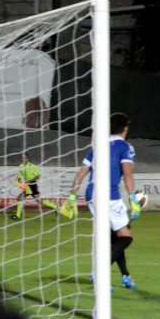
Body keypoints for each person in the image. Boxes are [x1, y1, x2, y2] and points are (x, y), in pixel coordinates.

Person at [63, 112, 140, 289]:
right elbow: (127, 175)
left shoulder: (97, 147)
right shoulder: (124, 147)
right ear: (125, 129)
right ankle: (100, 273)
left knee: (114, 237)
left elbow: (80, 174)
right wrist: (134, 200)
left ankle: (125, 276)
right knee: (126, 238)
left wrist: (72, 197)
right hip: (109, 196)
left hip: (92, 196)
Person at [10, 153, 58, 221]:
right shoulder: (21, 166)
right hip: (27, 185)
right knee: (38, 200)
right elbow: (19, 176)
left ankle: (17, 216)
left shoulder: (32, 166)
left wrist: (29, 182)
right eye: (22, 158)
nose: (23, 159)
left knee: (20, 198)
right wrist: (19, 182)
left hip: (32, 184)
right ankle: (55, 207)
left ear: (27, 158)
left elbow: (37, 176)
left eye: (24, 158)